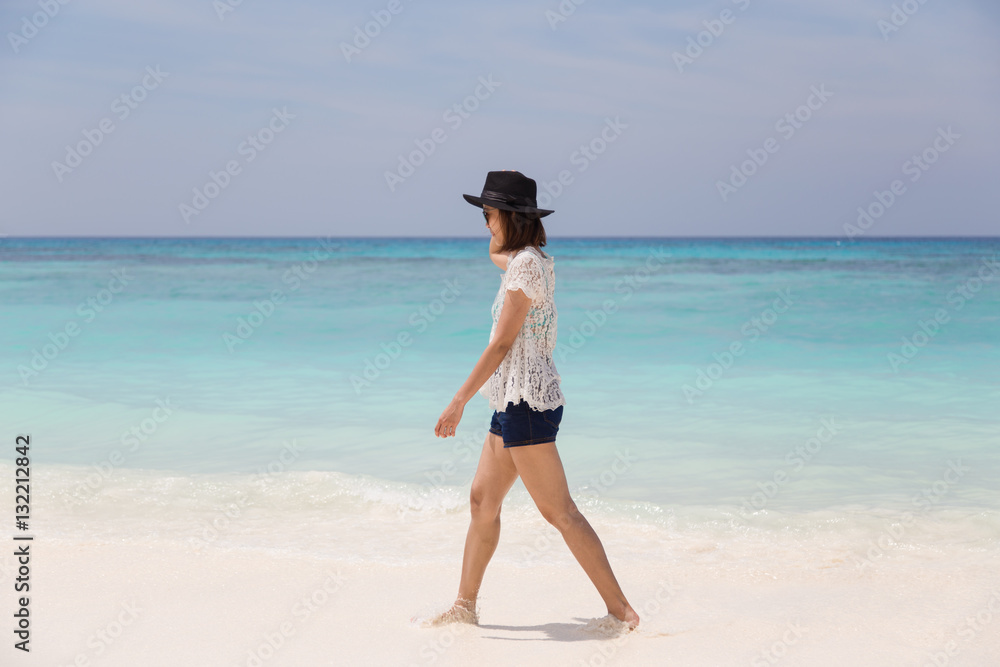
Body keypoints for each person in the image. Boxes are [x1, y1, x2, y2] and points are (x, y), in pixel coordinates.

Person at [430, 170, 640, 629]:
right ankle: (464, 607)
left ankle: (622, 612)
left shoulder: (526, 266)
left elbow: (503, 343)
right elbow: (498, 257)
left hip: (526, 404)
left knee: (559, 512)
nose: (485, 223)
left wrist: (459, 400)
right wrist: (497, 240)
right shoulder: (531, 261)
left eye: (488, 214)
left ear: (508, 215)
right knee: (483, 501)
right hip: (511, 401)